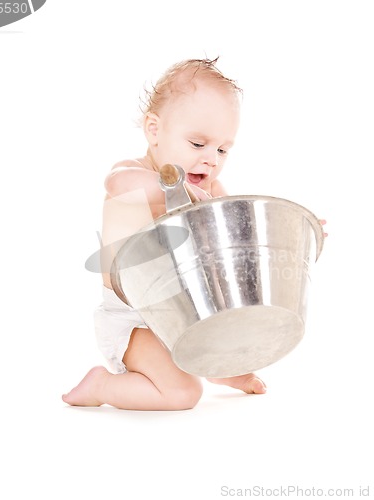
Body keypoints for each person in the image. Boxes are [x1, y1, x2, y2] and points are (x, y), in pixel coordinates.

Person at [62, 58, 271, 410]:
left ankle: (220, 369)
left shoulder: (211, 188)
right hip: (134, 322)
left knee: (229, 318)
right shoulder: (133, 175)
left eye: (222, 149)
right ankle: (102, 385)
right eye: (197, 143)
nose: (211, 159)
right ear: (154, 130)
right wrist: (172, 187)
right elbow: (117, 183)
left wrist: (300, 240)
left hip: (190, 313)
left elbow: (238, 231)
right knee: (182, 393)